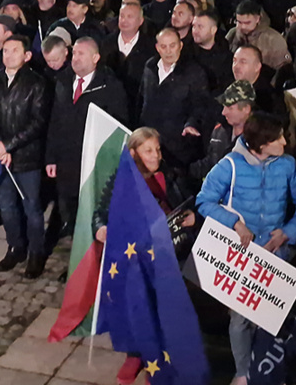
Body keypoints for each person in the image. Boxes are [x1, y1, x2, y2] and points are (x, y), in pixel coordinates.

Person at [197, 113, 296, 385]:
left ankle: (268, 373)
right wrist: (235, 224)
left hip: (276, 254)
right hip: (242, 257)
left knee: (273, 318)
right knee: (240, 320)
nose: (285, 142)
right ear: (261, 144)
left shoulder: (287, 165)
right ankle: (242, 373)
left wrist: (288, 232)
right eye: (278, 138)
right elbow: (205, 201)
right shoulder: (230, 165)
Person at [95, 127, 200, 385]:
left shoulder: (173, 175)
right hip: (135, 258)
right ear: (134, 153)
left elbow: (190, 205)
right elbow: (101, 212)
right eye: (148, 151)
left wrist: (193, 218)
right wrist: (101, 228)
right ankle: (136, 355)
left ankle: (159, 359)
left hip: (169, 254)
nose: (155, 156)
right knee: (136, 307)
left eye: (158, 149)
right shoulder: (122, 179)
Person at [0, 35, 49, 278]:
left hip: (26, 157)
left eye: (14, 50)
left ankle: (36, 253)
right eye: (5, 50)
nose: (8, 55)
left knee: (32, 208)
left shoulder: (37, 83)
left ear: (27, 56)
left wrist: (9, 145)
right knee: (7, 207)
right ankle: (15, 247)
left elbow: (38, 122)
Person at [44, 38, 128, 239]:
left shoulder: (110, 87)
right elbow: (55, 121)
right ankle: (77, 260)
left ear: (96, 58)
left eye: (81, 54)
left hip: (93, 165)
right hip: (66, 164)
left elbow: (118, 129)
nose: (76, 58)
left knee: (92, 215)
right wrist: (51, 157)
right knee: (70, 214)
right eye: (74, 54)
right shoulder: (63, 81)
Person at [138, 28, 214, 171]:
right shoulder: (150, 67)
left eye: (172, 46)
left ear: (180, 45)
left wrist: (191, 124)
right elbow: (142, 99)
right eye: (164, 46)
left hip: (177, 149)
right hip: (148, 143)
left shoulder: (194, 72)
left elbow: (201, 105)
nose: (168, 51)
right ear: (157, 48)